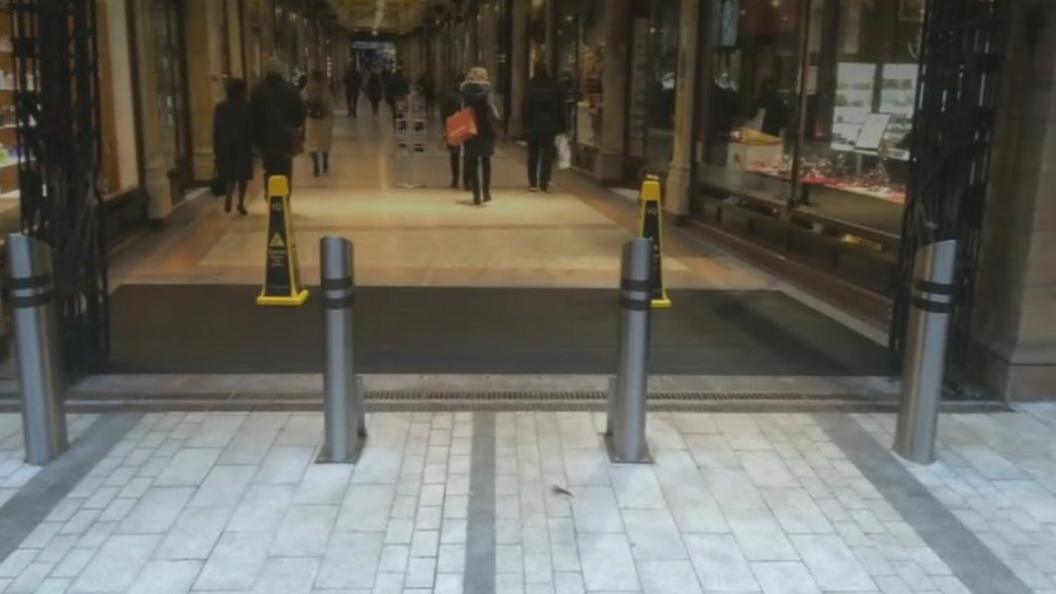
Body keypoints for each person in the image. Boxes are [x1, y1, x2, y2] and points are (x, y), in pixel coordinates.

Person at [250, 58, 307, 186]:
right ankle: (285, 196)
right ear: (281, 71)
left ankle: (271, 195)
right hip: (287, 137)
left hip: (265, 138)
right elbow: (301, 112)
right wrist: (294, 126)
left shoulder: (258, 90)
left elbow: (252, 115)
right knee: (286, 168)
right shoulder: (291, 90)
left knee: (270, 168)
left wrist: (255, 137)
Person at [212, 78, 253, 214]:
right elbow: (250, 127)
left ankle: (229, 196)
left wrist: (216, 148)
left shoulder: (220, 107)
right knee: (243, 176)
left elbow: (216, 129)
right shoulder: (246, 106)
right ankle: (240, 203)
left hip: (225, 146)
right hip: (243, 144)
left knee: (230, 175)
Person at [522, 67, 566, 192]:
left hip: (533, 125)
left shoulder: (531, 87)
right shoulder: (554, 87)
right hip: (550, 126)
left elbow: (524, 107)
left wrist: (525, 125)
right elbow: (560, 109)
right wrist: (562, 126)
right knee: (547, 154)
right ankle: (544, 181)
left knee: (533, 154)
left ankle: (532, 182)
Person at [460, 66, 499, 205]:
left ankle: (476, 195)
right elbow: (493, 109)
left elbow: (462, 109)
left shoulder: (464, 90)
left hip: (470, 128)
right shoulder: (488, 91)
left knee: (472, 162)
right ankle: (486, 192)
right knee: (486, 162)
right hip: (486, 129)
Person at [302, 70, 335, 177]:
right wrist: (331, 117)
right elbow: (330, 104)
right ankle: (325, 161)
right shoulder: (325, 89)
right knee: (325, 143)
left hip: (311, 120)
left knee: (312, 144)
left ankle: (315, 165)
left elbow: (301, 101)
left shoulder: (307, 89)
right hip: (324, 119)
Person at [438, 82, 467, 190]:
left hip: (452, 126)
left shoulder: (447, 97)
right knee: (466, 155)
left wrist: (445, 126)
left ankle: (455, 180)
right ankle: (466, 180)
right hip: (465, 126)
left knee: (454, 155)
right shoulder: (464, 97)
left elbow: (443, 113)